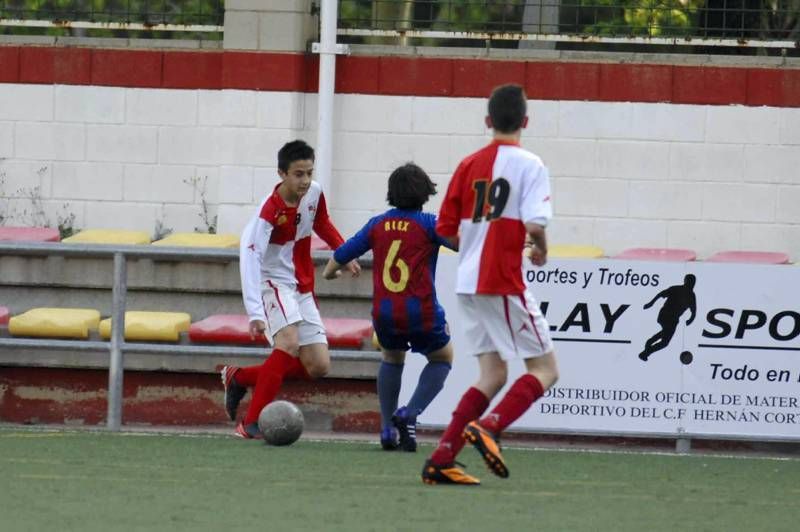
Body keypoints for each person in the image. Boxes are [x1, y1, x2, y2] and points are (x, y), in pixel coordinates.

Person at [421, 84, 559, 485]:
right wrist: (540, 248)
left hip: (468, 282)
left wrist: (482, 241)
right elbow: (535, 222)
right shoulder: (530, 164)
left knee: (493, 374)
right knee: (546, 368)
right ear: (526, 122)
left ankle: (441, 458)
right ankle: (490, 425)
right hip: (501, 280)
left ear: (488, 122)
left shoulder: (467, 165)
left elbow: (447, 230)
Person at [221, 139, 360, 439]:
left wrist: (343, 252)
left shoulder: (314, 193)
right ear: (282, 173)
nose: (305, 180)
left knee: (318, 365)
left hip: (301, 284)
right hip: (272, 282)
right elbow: (250, 256)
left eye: (309, 172)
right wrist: (255, 311)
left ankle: (240, 377)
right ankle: (249, 424)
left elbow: (322, 222)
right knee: (287, 343)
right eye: (298, 174)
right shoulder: (269, 210)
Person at [323, 163, 455, 452]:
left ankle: (385, 429)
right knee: (442, 358)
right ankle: (410, 413)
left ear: (391, 194)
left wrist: (332, 273)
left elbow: (340, 255)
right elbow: (460, 243)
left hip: (384, 312)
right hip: (421, 310)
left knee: (392, 358)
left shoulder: (377, 224)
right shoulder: (429, 223)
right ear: (425, 194)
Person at [638, 274, 696, 361]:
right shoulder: (676, 289)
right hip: (666, 315)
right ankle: (645, 352)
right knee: (665, 342)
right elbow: (661, 294)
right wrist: (650, 303)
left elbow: (693, 310)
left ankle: (649, 344)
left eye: (693, 282)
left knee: (665, 335)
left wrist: (691, 319)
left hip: (674, 319)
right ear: (686, 281)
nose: (691, 284)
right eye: (690, 281)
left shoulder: (691, 296)